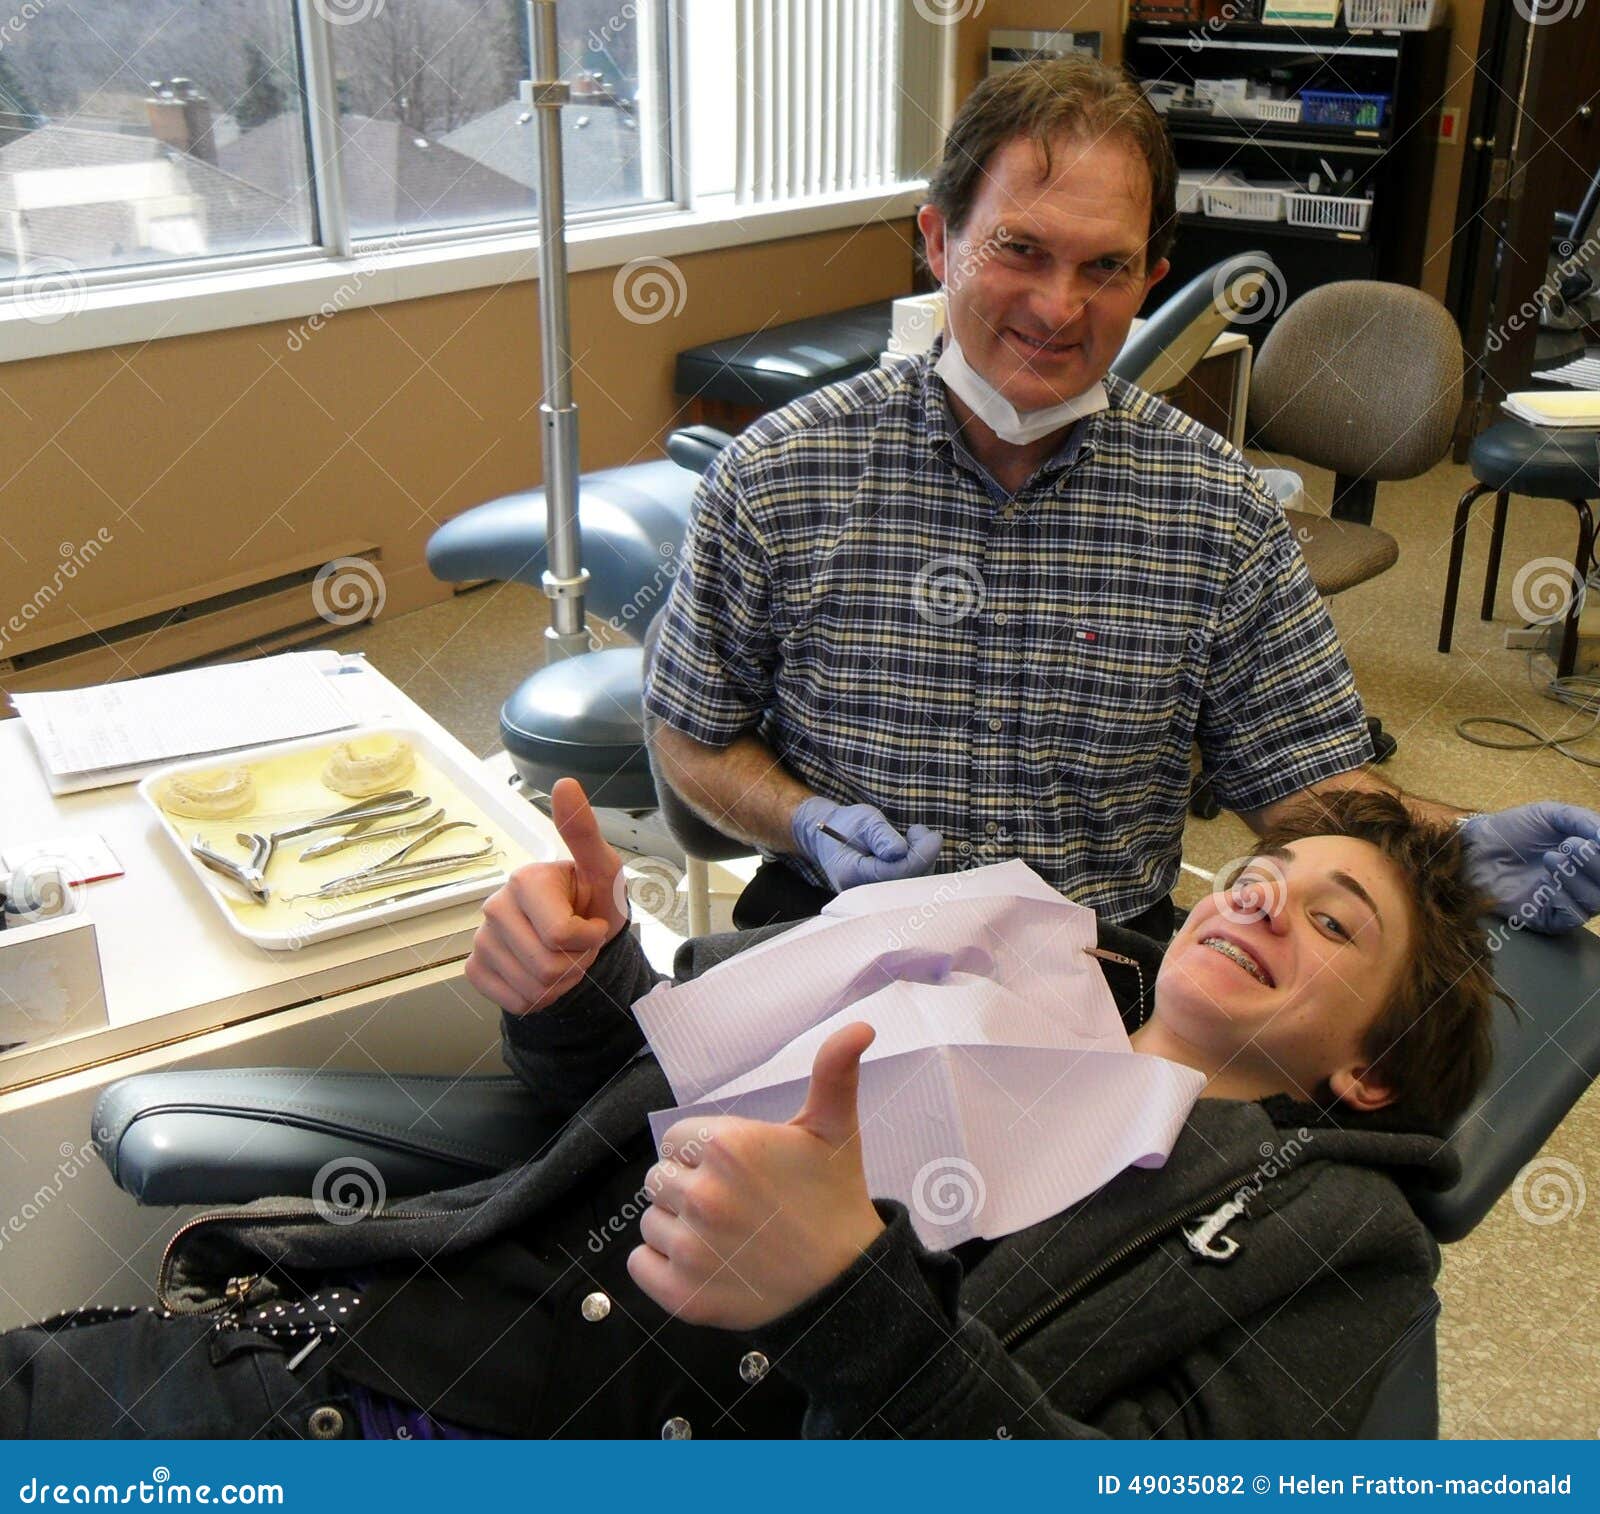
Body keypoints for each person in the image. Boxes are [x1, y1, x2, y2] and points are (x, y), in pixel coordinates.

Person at [1, 780, 1493, 1440]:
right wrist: (573, 987)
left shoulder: (1322, 1232)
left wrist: (848, 1298)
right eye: (1259, 877)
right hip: (381, 1343)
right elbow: (626, 1113)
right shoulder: (1004, 962)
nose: (1262, 902)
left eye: (1335, 924)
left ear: (1369, 1069)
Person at [642, 55, 1600, 940]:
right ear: (939, 241)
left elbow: (1303, 777)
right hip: (831, 930)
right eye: (1021, 248)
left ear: (1149, 278)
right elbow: (691, 736)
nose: (1059, 308)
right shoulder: (779, 475)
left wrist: (1451, 844)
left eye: (1105, 267)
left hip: (1103, 960)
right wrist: (805, 821)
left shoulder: (1216, 510)